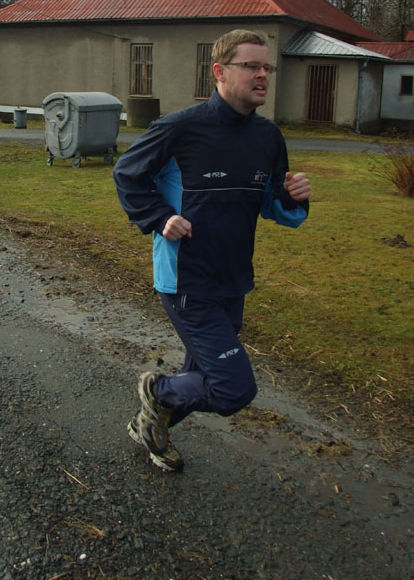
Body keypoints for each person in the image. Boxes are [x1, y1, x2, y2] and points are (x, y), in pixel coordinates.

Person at [113, 29, 311, 471]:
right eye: (251, 66)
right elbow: (128, 173)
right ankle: (158, 393)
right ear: (220, 72)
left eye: (267, 67)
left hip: (233, 278)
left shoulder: (267, 136)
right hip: (187, 280)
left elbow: (274, 206)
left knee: (200, 375)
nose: (263, 75)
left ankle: (152, 426)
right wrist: (159, 217)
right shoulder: (180, 128)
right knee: (231, 388)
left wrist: (295, 196)